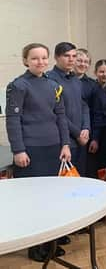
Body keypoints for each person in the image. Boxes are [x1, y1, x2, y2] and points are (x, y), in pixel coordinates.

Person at [5, 43, 72, 262]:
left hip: (54, 148)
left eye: (44, 58)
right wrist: (19, 150)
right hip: (31, 150)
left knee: (52, 198)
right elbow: (13, 120)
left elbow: (60, 116)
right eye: (35, 58)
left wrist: (65, 144)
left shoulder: (53, 85)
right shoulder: (18, 86)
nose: (40, 62)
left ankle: (50, 242)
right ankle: (35, 247)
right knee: (33, 201)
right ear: (25, 60)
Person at [47, 42, 90, 176]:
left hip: (81, 140)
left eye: (74, 56)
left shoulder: (75, 80)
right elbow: (56, 112)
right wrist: (77, 134)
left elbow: (84, 105)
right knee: (63, 182)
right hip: (64, 140)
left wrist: (86, 128)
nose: (71, 59)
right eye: (67, 56)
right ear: (56, 57)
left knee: (79, 179)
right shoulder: (49, 79)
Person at [87, 60, 106, 184]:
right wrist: (95, 138)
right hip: (96, 131)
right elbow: (96, 115)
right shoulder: (92, 89)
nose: (104, 74)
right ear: (95, 72)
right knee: (98, 167)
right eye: (101, 71)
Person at [75, 49, 101, 179]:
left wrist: (95, 137)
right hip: (68, 133)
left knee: (88, 171)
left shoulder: (92, 85)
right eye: (79, 60)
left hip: (87, 133)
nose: (82, 64)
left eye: (86, 62)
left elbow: (96, 113)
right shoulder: (60, 82)